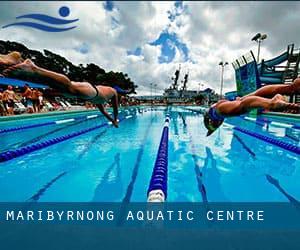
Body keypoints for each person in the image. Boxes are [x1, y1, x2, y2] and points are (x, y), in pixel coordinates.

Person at [4, 59, 132, 127]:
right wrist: (115, 119)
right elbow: (115, 108)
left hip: (89, 91)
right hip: (91, 91)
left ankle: (17, 63)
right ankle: (33, 67)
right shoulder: (113, 92)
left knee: (56, 86)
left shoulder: (103, 98)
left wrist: (112, 120)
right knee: (68, 86)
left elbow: (103, 111)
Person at [204, 78, 300, 136]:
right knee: (252, 96)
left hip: (219, 110)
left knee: (242, 105)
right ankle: (290, 88)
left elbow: (208, 122)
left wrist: (210, 130)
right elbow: (207, 119)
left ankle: (271, 103)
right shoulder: (216, 117)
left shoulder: (216, 118)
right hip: (220, 106)